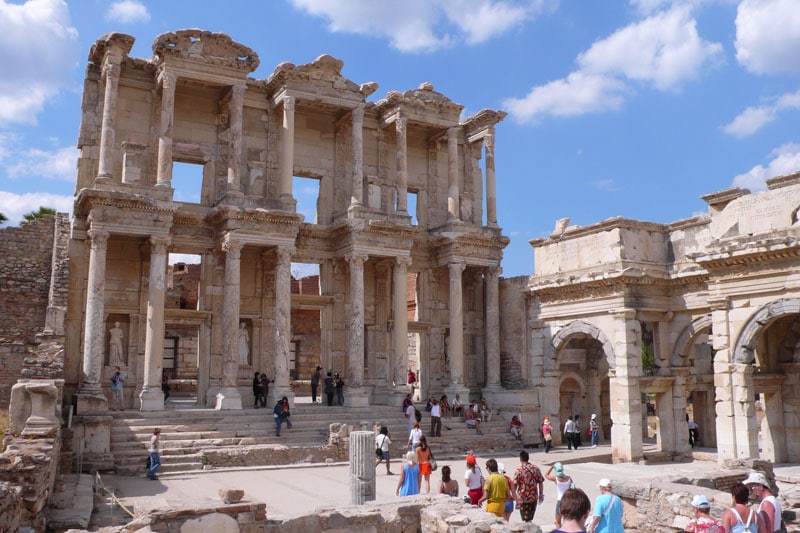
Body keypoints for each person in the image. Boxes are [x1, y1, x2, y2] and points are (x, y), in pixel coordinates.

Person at [513, 449, 544, 522]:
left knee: (526, 519)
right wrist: (541, 494)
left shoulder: (519, 470)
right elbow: (540, 482)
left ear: (520, 459)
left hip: (523, 498)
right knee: (530, 518)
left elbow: (515, 484)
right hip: (533, 497)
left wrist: (515, 497)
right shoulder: (536, 468)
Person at [546, 462, 573, 529]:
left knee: (558, 522)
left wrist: (552, 466)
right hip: (568, 500)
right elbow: (573, 488)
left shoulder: (556, 479)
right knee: (567, 520)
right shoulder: (569, 478)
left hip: (560, 501)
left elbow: (546, 475)